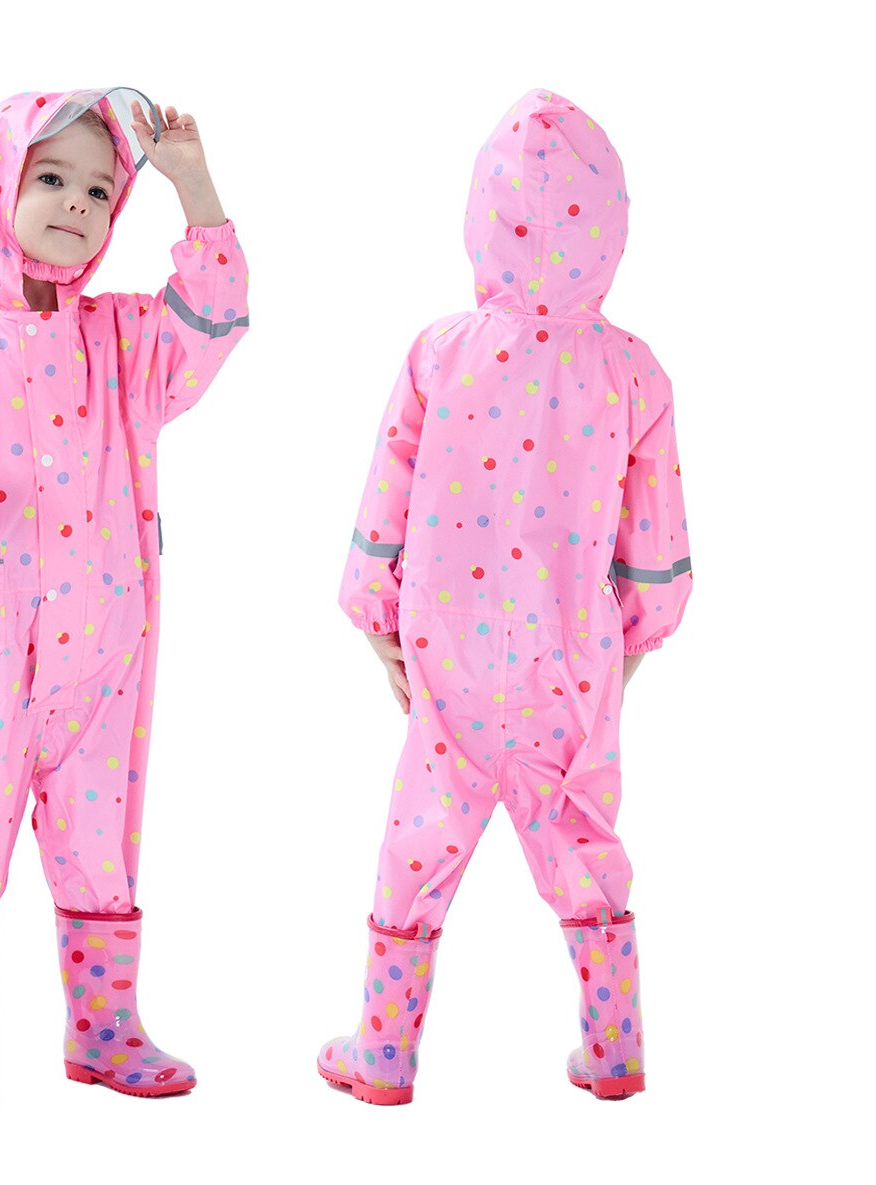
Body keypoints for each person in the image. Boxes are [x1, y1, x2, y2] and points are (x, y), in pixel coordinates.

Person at [0, 87, 249, 1111]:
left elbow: (215, 319)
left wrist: (193, 187)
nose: (77, 202)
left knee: (101, 832)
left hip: (103, 641)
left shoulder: (123, 338)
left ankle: (105, 1032)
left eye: (101, 191)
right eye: (52, 177)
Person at [317, 88, 692, 1105]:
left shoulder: (440, 351)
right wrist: (631, 649)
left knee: (419, 841)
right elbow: (655, 542)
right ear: (611, 228)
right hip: (570, 655)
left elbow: (388, 495)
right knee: (582, 839)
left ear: (482, 218)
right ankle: (615, 1051)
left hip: (450, 649)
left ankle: (384, 1053)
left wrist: (378, 620)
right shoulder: (634, 372)